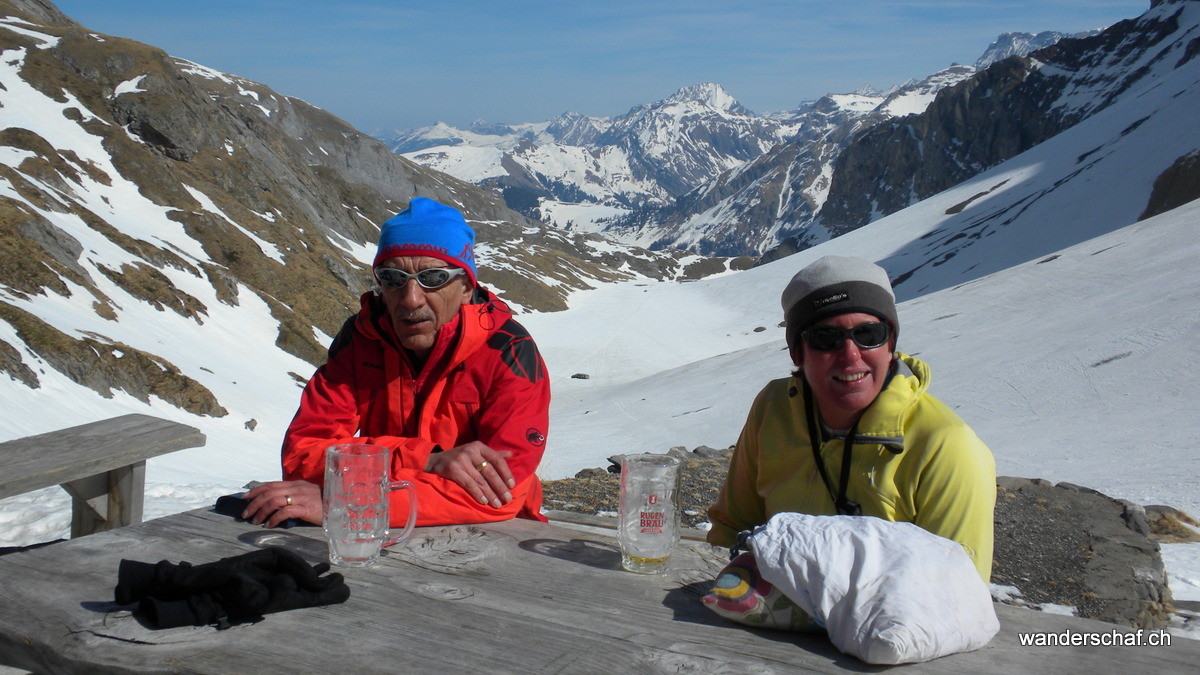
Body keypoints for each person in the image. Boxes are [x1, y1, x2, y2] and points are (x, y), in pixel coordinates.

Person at [243, 197, 551, 528]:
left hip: (497, 541)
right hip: (376, 540)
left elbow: (502, 491)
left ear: (465, 287)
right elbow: (303, 456)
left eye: (433, 278)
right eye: (392, 278)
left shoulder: (510, 352)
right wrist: (428, 461)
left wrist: (349, 500)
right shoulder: (362, 339)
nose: (411, 299)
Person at [706, 255, 996, 580]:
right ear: (798, 353)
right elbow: (733, 526)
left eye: (869, 334)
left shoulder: (944, 445)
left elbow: (958, 594)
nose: (850, 355)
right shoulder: (773, 409)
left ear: (891, 344)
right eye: (825, 339)